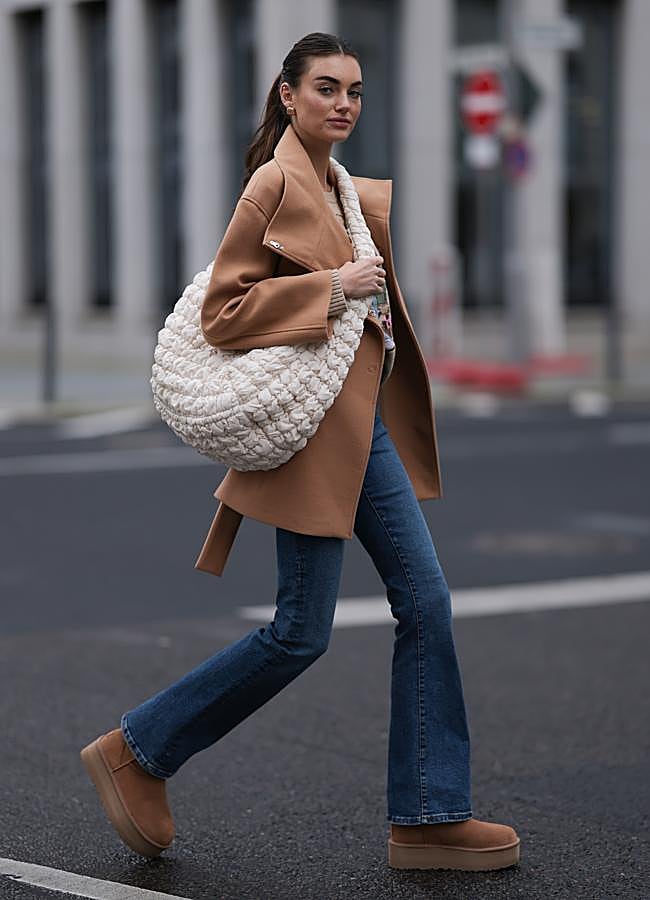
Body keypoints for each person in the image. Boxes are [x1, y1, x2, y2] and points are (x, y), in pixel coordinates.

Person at [80, 32, 520, 873]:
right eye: (326, 87)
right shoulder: (275, 183)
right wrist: (335, 288)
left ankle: (428, 815)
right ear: (288, 96)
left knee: (423, 604)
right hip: (314, 434)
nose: (344, 103)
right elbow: (223, 312)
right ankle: (138, 751)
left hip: (363, 429)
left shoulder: (339, 185)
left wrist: (374, 314)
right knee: (300, 632)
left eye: (355, 89)